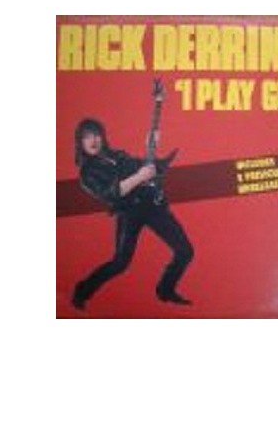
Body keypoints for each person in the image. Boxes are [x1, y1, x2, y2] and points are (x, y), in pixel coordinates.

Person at [71, 118, 194, 311]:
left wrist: (151, 147)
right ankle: (82, 291)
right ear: (80, 142)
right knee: (120, 263)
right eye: (87, 136)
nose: (93, 140)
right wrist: (139, 177)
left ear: (102, 137)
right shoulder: (88, 173)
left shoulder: (117, 155)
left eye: (96, 134)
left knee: (185, 251)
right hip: (129, 213)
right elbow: (112, 193)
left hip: (152, 206)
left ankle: (165, 289)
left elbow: (148, 169)